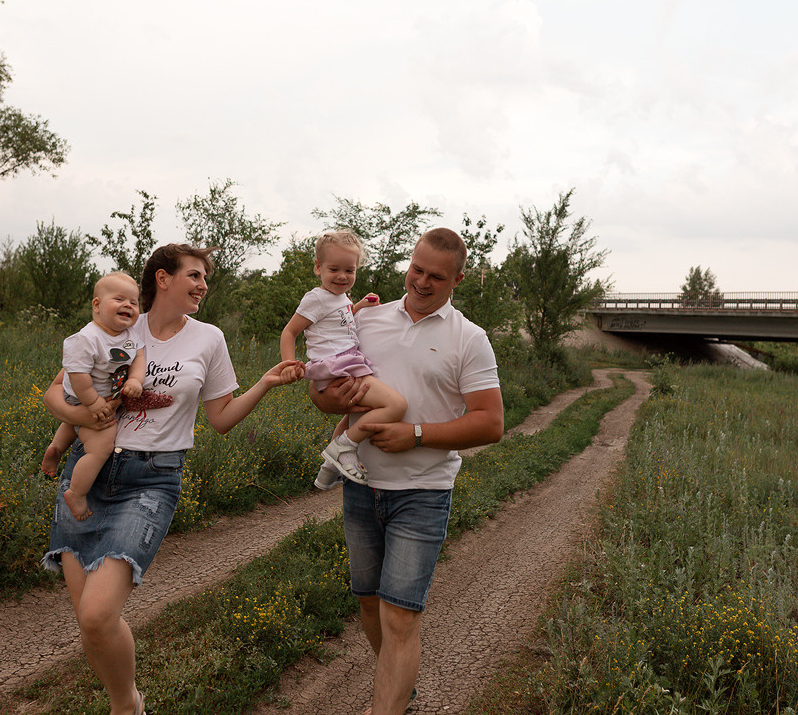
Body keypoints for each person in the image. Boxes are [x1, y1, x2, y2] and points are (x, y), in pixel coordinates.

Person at [41, 243, 304, 715]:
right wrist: (75, 423)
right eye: (196, 275)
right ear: (162, 278)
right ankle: (130, 704)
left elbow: (220, 419)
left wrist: (263, 383)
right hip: (90, 469)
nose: (204, 285)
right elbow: (56, 392)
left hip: (151, 479)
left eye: (206, 278)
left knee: (99, 614)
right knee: (89, 621)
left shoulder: (209, 339)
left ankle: (127, 708)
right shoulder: (119, 323)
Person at [312, 228, 504, 715]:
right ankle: (400, 688)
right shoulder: (366, 320)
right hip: (360, 486)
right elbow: (323, 393)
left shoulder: (470, 339)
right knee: (370, 604)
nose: (421, 281)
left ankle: (389, 704)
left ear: (458, 279)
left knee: (400, 616)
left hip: (423, 493)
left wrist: (415, 434)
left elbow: (491, 423)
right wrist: (335, 400)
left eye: (435, 276)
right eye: (416, 269)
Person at [280, 230, 407, 489]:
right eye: (333, 269)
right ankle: (343, 447)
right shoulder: (315, 298)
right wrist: (289, 365)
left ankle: (328, 468)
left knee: (358, 417)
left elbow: (340, 318)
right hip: (337, 365)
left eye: (349, 270)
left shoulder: (340, 298)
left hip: (344, 362)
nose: (342, 276)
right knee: (396, 405)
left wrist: (359, 306)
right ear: (318, 267)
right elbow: (290, 332)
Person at [40, 272, 146, 521]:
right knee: (101, 447)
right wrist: (93, 402)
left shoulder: (130, 336)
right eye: (119, 299)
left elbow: (139, 357)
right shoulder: (86, 338)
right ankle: (76, 493)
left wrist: (135, 380)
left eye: (133, 302)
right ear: (97, 305)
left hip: (94, 395)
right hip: (82, 395)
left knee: (72, 423)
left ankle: (55, 448)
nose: (128, 305)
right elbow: (77, 375)